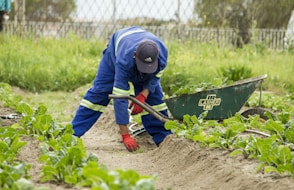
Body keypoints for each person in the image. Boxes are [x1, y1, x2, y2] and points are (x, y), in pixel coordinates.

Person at [71, 26, 172, 152]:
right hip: (114, 55)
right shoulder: (124, 60)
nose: (145, 70)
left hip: (139, 50)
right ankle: (72, 134)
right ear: (135, 56)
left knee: (154, 98)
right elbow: (120, 98)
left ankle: (163, 138)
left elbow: (155, 78)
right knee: (99, 94)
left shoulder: (162, 54)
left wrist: (143, 95)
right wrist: (125, 135)